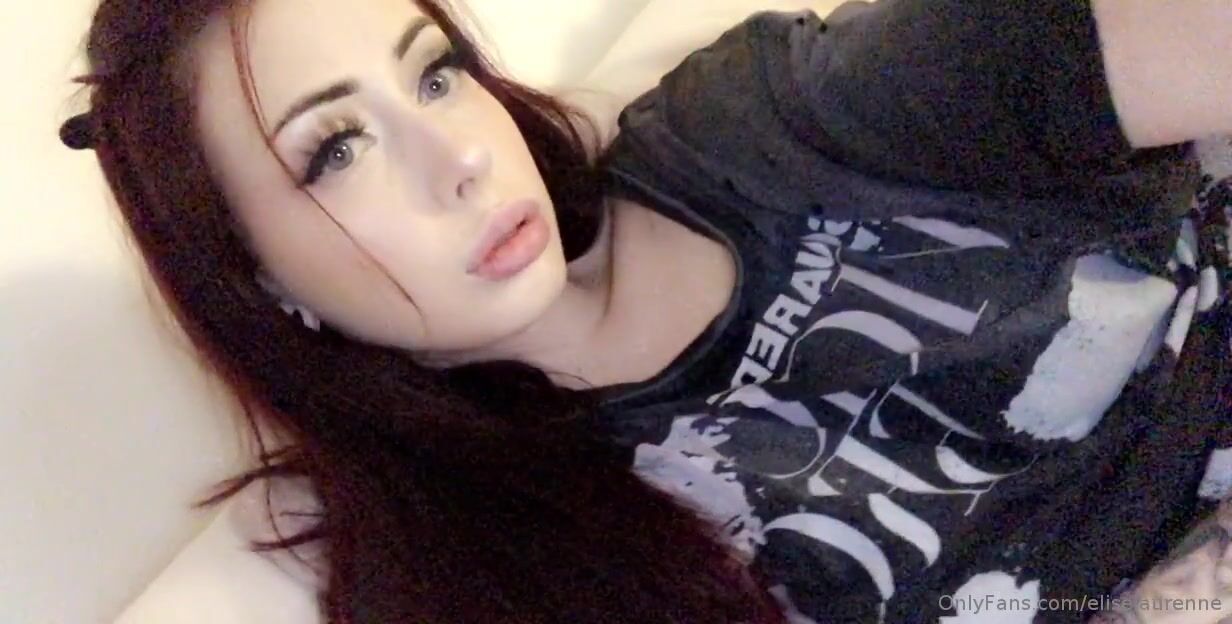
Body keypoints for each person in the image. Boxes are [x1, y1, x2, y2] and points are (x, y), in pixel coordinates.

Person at [60, 0, 1231, 621]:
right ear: (259, 279)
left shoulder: (747, 132)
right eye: (337, 149)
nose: (457, 158)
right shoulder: (488, 574)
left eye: (433, 74)